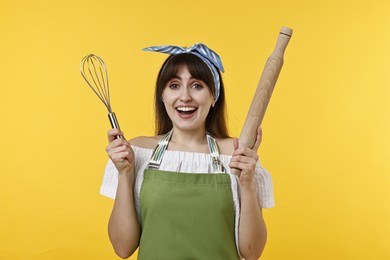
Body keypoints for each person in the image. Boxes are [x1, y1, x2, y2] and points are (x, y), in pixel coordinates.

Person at [100, 43, 274, 260]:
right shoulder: (135, 153)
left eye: (197, 85)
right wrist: (125, 174)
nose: (184, 97)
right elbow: (122, 248)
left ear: (213, 97)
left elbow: (252, 252)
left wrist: (247, 185)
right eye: (174, 85)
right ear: (162, 96)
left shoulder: (237, 155)